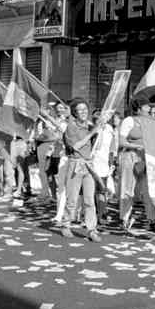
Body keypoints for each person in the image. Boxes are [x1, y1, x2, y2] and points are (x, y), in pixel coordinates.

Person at [60, 98, 101, 242]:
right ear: (75, 113)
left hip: (88, 165)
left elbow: (94, 145)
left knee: (90, 200)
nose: (83, 112)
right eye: (80, 110)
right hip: (75, 165)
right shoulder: (71, 127)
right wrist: (92, 133)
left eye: (85, 109)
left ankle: (92, 229)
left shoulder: (90, 126)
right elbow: (76, 146)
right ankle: (65, 224)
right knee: (72, 198)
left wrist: (98, 130)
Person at [118, 96, 155, 231]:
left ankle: (151, 219)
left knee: (148, 189)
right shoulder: (128, 121)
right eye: (146, 106)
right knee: (128, 189)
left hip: (146, 158)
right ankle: (124, 218)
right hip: (130, 157)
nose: (149, 108)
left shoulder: (150, 122)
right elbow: (121, 142)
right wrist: (136, 146)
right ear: (138, 108)